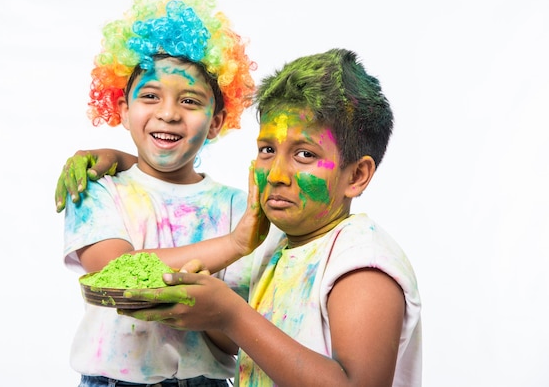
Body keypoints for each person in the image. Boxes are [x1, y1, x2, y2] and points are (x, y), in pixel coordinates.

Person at [59, 48, 422, 386]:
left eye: (305, 155)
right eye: (267, 149)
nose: (277, 174)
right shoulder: (277, 247)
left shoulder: (362, 262)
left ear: (356, 176)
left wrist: (230, 314)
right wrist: (121, 160)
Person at [62, 0, 263, 387]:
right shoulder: (97, 190)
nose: (168, 114)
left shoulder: (237, 207)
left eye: (189, 101)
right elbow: (114, 273)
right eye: (150, 96)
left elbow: (230, 339)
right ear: (122, 109)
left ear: (218, 121)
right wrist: (235, 245)